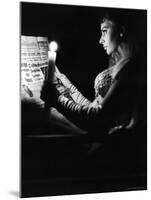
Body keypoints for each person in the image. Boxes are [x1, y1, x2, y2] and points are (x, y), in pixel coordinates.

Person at [41, 10, 145, 141]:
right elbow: (96, 109)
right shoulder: (122, 65)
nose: (101, 40)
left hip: (117, 150)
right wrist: (68, 87)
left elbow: (97, 119)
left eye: (104, 31)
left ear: (121, 30)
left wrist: (58, 100)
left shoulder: (131, 69)